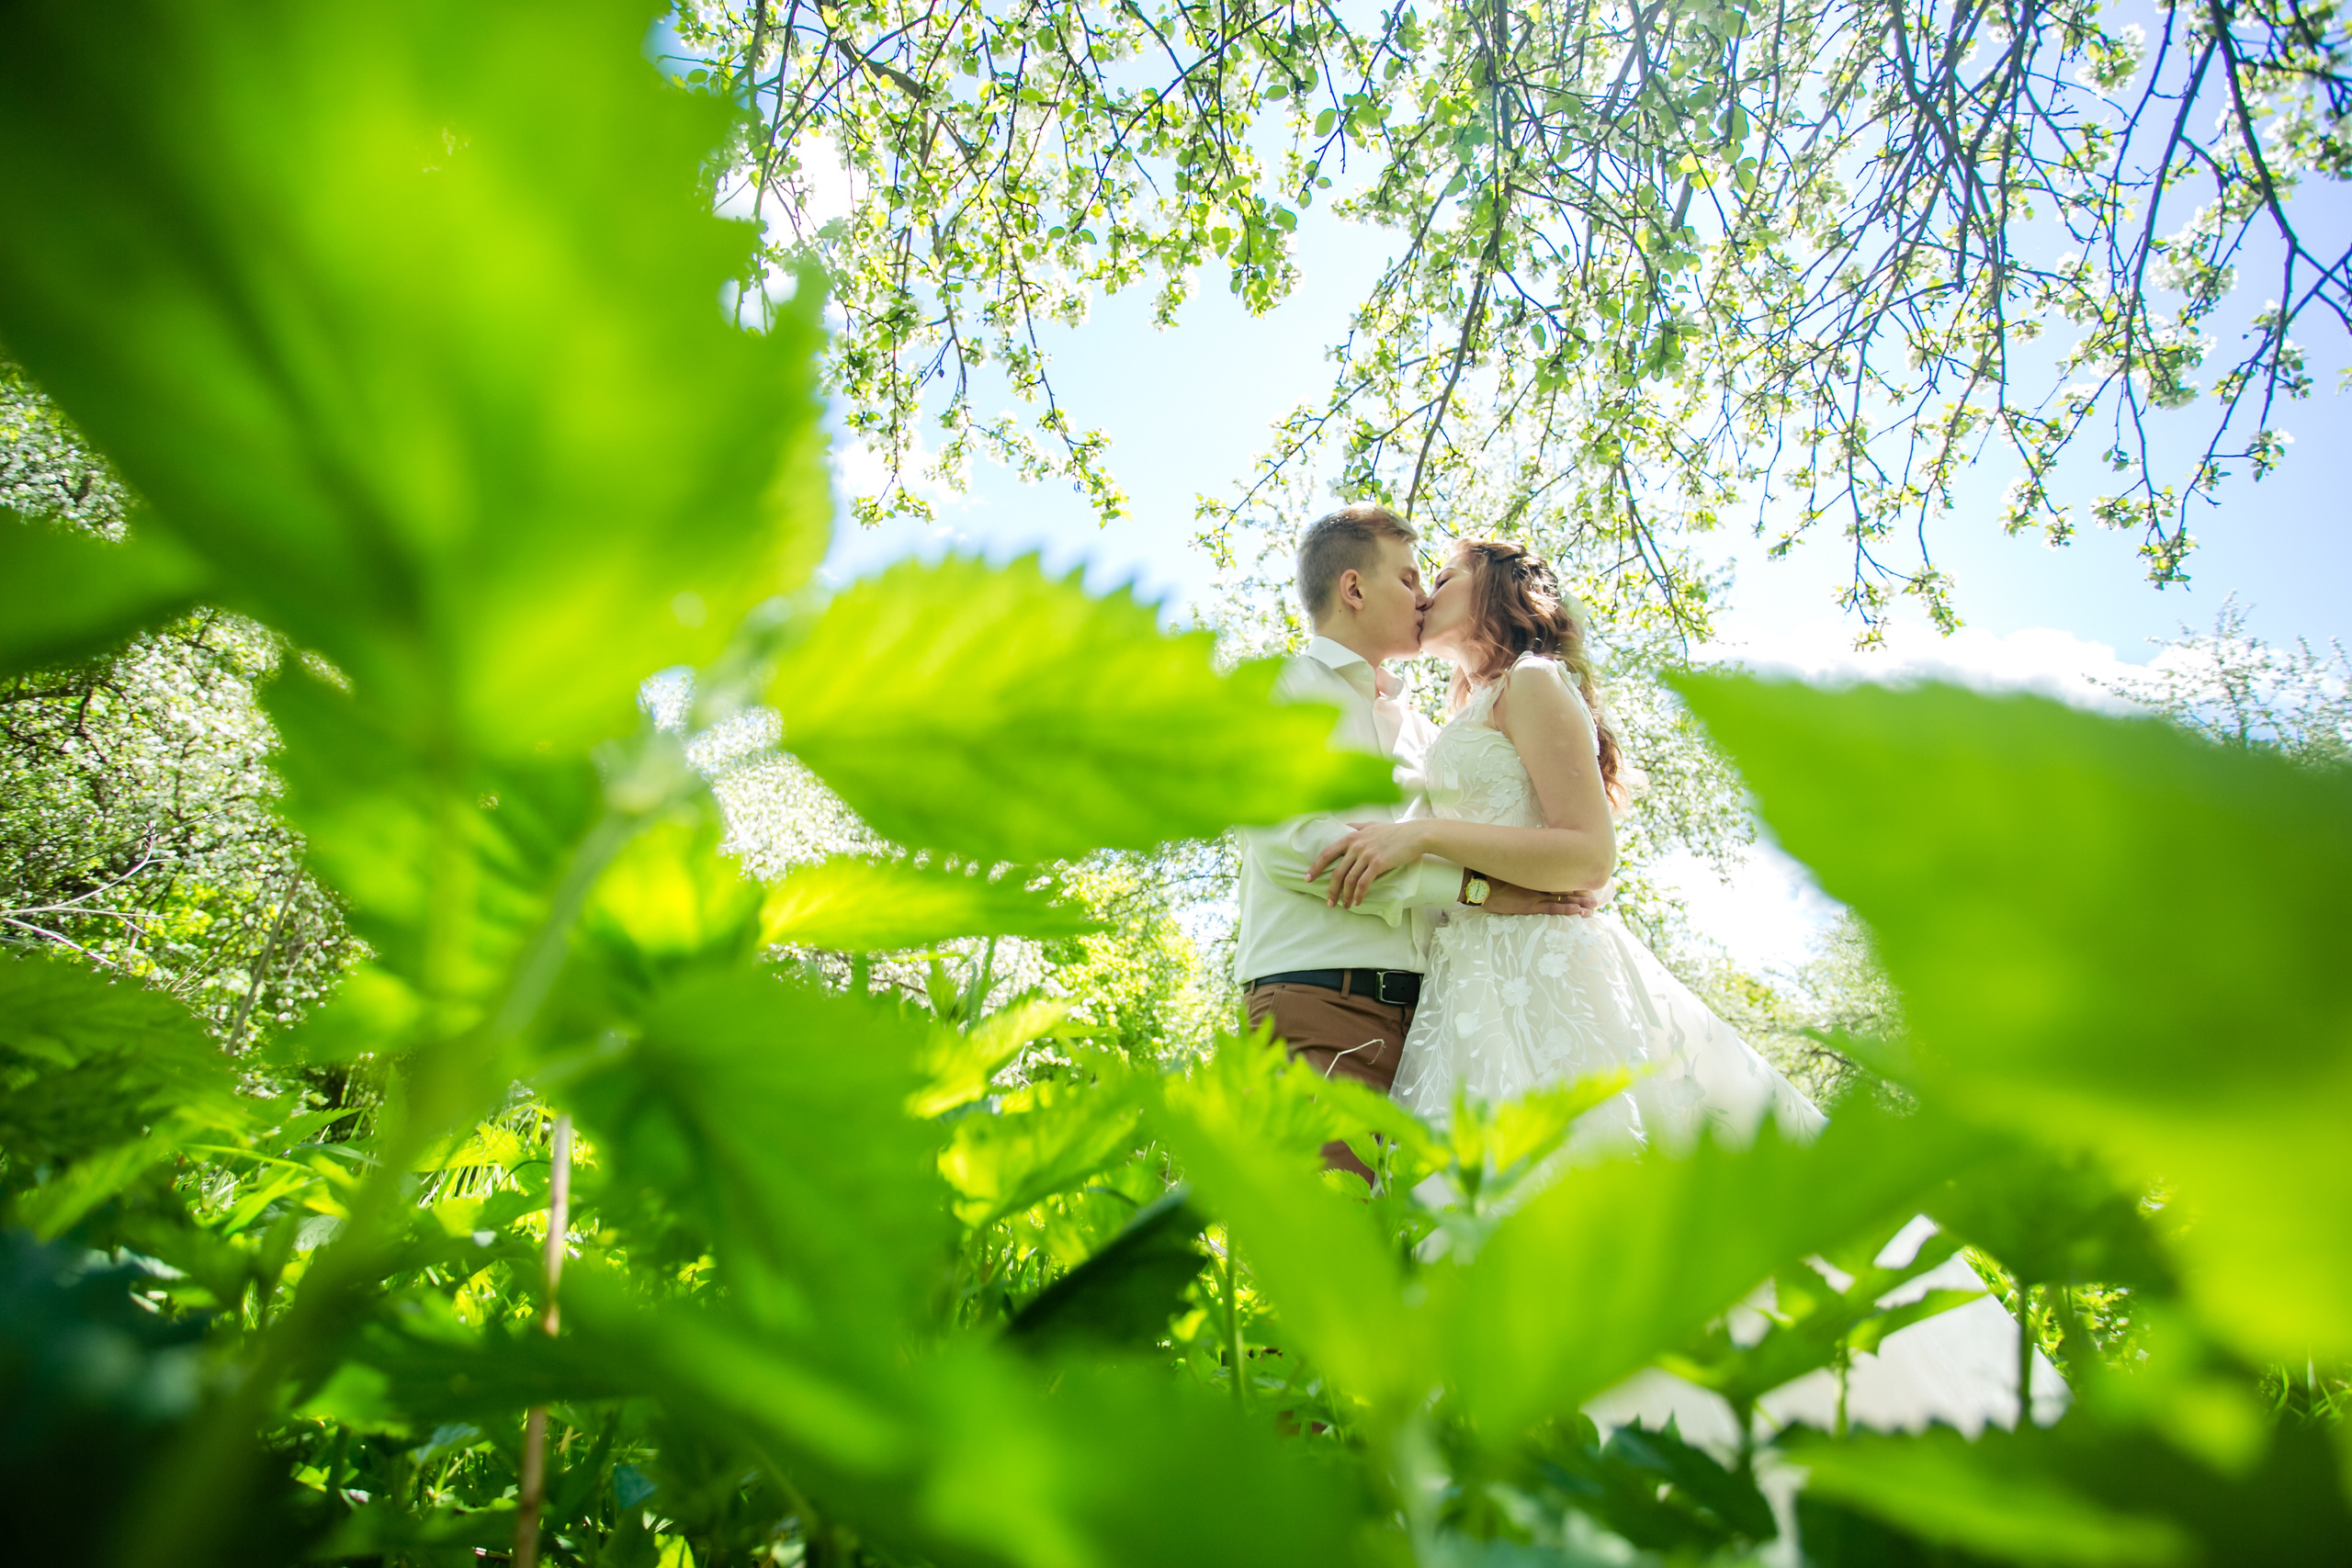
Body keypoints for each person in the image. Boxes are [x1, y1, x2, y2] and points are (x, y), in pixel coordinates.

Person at [1306, 536, 1821, 1151]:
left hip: (1546, 964)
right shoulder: (1466, 712)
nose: (1425, 595)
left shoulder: (1534, 679)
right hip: (1468, 977)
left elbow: (1589, 855)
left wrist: (1421, 835)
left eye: (1442, 578)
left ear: (1495, 588)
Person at [1236, 507, 1595, 1181]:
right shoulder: (1277, 688)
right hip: (1321, 1005)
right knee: (1334, 1247)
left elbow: (1459, 841)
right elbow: (1296, 842)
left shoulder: (1427, 731)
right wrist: (1475, 890)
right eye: (1408, 577)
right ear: (1352, 589)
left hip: (1439, 1023)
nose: (1424, 595)